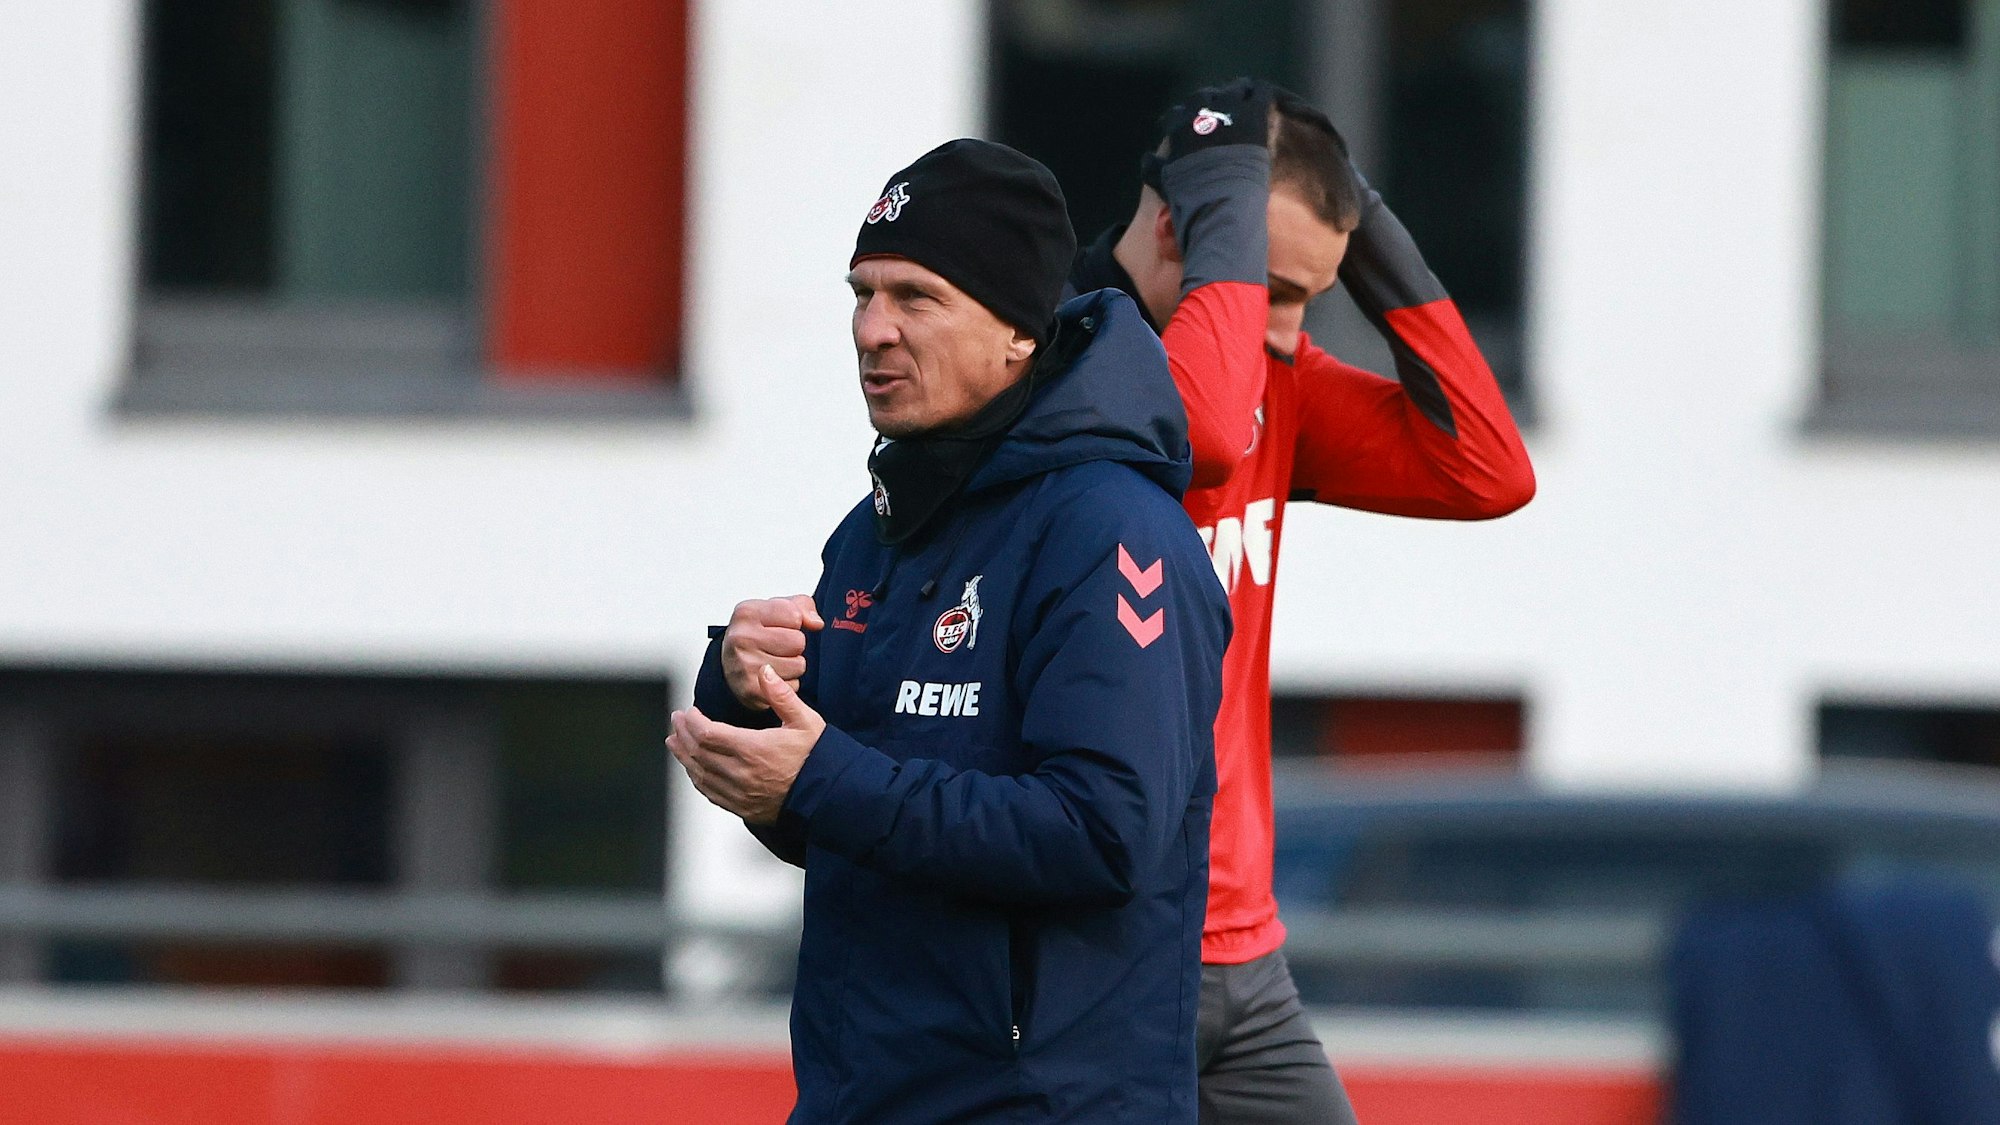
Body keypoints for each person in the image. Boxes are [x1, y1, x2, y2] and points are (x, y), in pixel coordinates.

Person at [669, 138, 1231, 1124]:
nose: (871, 330)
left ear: (1016, 328)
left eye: (915, 298)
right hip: (863, 1096)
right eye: (861, 293)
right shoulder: (874, 529)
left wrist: (820, 777)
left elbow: (1102, 836)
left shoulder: (1111, 531)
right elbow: (845, 825)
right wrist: (741, 703)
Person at [1068, 79, 1537, 1122]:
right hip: (1102, 950)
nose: (1284, 330)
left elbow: (1486, 471)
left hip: (1245, 954)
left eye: (1308, 296)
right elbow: (1198, 429)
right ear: (1172, 222)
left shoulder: (1279, 382)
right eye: (1262, 284)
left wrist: (1368, 231)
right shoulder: (1062, 360)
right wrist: (1231, 220)